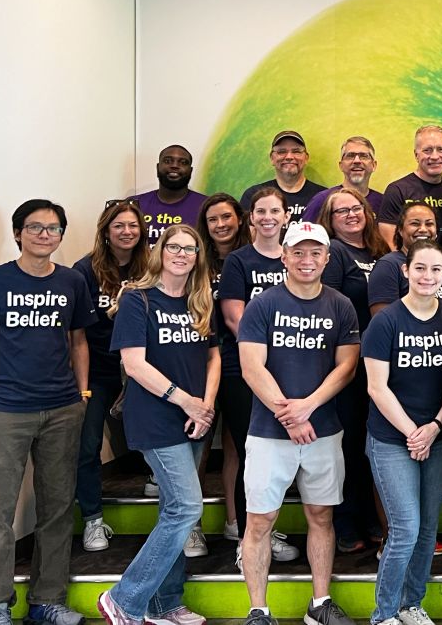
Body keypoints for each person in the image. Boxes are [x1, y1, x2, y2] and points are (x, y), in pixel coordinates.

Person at [0, 199, 97, 625]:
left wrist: (81, 395)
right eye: (36, 227)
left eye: (54, 228)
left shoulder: (72, 282)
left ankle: (47, 602)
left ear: (61, 235)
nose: (45, 235)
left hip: (62, 409)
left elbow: (79, 341)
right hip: (6, 413)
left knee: (57, 509)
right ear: (18, 233)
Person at [238, 222, 361, 625]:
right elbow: (251, 367)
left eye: (315, 253)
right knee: (259, 521)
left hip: (324, 430)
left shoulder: (341, 305)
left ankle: (319, 603)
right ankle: (258, 610)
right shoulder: (262, 305)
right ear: (284, 256)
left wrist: (307, 407)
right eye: (298, 252)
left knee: (321, 517)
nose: (307, 260)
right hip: (269, 432)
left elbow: (347, 367)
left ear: (327, 258)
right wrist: (288, 415)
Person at [95, 225, 219, 625]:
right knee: (187, 508)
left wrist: (206, 407)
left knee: (173, 508)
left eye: (191, 248)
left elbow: (213, 358)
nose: (182, 253)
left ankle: (165, 603)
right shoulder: (137, 300)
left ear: (199, 256)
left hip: (195, 418)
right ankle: (124, 599)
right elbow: (134, 364)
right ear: (160, 251)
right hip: (156, 417)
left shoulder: (201, 301)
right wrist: (186, 402)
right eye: (175, 246)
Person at [363, 239, 442, 625]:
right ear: (405, 271)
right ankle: (384, 613)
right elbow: (376, 387)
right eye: (419, 268)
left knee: (427, 529)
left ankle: (411, 604)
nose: (427, 276)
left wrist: (436, 426)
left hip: (436, 438)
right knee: (404, 529)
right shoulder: (386, 321)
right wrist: (413, 433)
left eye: (435, 269)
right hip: (392, 439)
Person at [217, 187, 300, 562]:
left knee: (280, 456)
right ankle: (247, 541)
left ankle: (269, 529)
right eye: (260, 211)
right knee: (254, 454)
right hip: (245, 372)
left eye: (274, 211)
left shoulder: (296, 259)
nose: (267, 217)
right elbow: (235, 317)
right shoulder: (239, 261)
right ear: (251, 218)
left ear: (286, 217)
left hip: (293, 374)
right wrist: (269, 356)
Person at [317, 188, 392, 553]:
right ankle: (346, 521)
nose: (350, 214)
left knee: (371, 443)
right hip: (346, 361)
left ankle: (371, 517)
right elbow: (327, 307)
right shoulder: (334, 254)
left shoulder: (380, 253)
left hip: (378, 363)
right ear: (329, 220)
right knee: (347, 444)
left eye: (356, 208)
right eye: (340, 211)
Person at [73, 200, 149, 554]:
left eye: (133, 225)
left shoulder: (152, 265)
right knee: (88, 445)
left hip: (145, 368)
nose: (127, 232)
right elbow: (77, 331)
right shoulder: (84, 270)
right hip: (100, 370)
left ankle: (157, 483)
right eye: (119, 225)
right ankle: (92, 519)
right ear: (106, 230)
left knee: (156, 435)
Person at [196, 193, 252, 546]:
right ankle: (190, 526)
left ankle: (235, 521)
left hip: (236, 364)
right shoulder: (195, 260)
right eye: (214, 219)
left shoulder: (249, 258)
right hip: (196, 363)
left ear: (239, 219)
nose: (221, 225)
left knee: (236, 445)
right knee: (198, 446)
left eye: (227, 217)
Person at [379, 126, 442, 257]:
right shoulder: (397, 191)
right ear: (416, 155)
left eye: (441, 149)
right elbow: (390, 244)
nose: (435, 156)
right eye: (427, 150)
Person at [369, 202, 442, 315]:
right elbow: (383, 320)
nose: (423, 229)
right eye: (415, 223)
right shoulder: (388, 265)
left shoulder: (438, 265)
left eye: (429, 224)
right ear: (400, 230)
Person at [240, 131, 325, 226]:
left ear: (306, 158)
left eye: (296, 151)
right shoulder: (253, 196)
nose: (289, 157)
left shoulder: (324, 197)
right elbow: (246, 237)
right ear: (272, 158)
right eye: (281, 152)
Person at [301, 136, 385, 221]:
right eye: (350, 156)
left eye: (363, 156)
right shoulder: (322, 200)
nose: (357, 161)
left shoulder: (383, 202)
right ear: (341, 165)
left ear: (373, 165)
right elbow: (304, 233)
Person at [137, 145, 208, 245]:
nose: (175, 165)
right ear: (157, 168)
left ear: (191, 171)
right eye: (167, 161)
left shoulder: (206, 205)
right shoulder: (135, 204)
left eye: (183, 162)